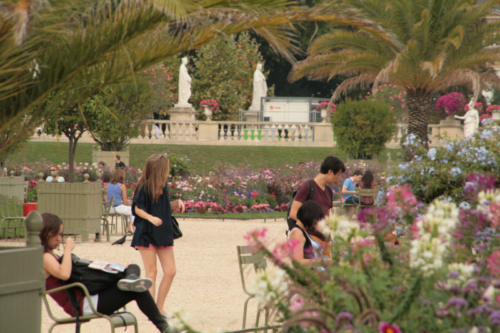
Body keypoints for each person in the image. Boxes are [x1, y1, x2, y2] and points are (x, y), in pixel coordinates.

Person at [40, 213, 174, 333]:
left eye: (60, 234)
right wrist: (68, 250)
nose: (59, 238)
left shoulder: (50, 256)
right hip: (83, 304)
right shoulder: (45, 257)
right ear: (46, 233)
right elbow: (64, 274)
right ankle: (165, 328)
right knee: (139, 289)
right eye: (56, 234)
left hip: (88, 297)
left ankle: (130, 278)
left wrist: (113, 268)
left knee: (132, 268)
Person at [132, 154, 185, 317]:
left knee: (170, 271)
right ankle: (152, 311)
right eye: (166, 168)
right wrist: (150, 218)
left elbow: (161, 207)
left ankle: (159, 307)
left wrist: (177, 203)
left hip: (162, 233)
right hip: (146, 232)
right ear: (160, 169)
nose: (167, 171)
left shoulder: (163, 186)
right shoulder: (144, 186)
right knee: (151, 272)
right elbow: (136, 208)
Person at [289, 156, 346, 227]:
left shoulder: (329, 191)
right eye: (338, 174)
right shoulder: (307, 187)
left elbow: (327, 217)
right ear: (330, 172)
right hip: (308, 235)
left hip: (322, 236)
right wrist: (315, 225)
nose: (338, 178)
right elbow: (293, 213)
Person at [288, 201, 329, 267]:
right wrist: (322, 261)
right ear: (310, 217)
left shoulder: (303, 231)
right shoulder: (298, 233)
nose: (316, 222)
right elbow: (298, 262)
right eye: (316, 219)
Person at [107, 169, 135, 235]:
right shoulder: (121, 185)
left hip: (110, 208)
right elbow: (125, 201)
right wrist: (131, 203)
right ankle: (135, 229)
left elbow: (111, 197)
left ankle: (129, 230)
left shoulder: (109, 185)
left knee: (129, 211)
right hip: (118, 208)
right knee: (133, 210)